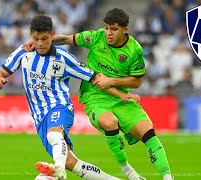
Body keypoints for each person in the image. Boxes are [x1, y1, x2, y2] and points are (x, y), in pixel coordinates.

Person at [23, 8, 173, 180]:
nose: (108, 33)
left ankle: (168, 177)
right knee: (109, 122)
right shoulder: (95, 37)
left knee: (148, 133)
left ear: (125, 30)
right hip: (95, 97)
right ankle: (128, 171)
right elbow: (66, 39)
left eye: (114, 29)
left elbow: (136, 81)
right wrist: (39, 41)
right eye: (106, 28)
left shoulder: (135, 50)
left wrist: (112, 81)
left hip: (121, 96)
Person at [0, 15, 125, 180]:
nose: (40, 43)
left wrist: (122, 95)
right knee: (72, 163)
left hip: (60, 107)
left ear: (53, 35)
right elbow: (0, 72)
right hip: (40, 118)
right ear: (31, 36)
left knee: (54, 136)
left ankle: (58, 170)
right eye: (36, 38)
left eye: (45, 39)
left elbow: (95, 77)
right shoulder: (23, 53)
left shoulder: (64, 58)